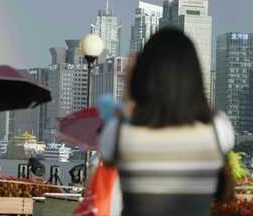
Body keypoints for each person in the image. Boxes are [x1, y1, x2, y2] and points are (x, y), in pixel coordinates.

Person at [99, 28, 234, 216]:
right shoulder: (218, 128)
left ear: (143, 75)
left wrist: (129, 90)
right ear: (194, 75)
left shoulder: (119, 132)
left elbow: (106, 165)